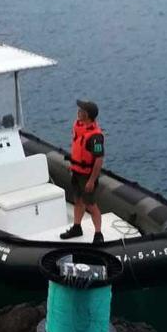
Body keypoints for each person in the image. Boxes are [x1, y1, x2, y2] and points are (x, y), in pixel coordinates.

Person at [61, 99, 106, 244]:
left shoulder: (95, 137)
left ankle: (98, 234)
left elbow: (99, 159)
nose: (78, 112)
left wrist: (92, 180)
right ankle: (77, 227)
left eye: (81, 110)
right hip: (77, 172)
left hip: (87, 176)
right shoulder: (80, 127)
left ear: (86, 114)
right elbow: (78, 150)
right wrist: (74, 165)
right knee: (78, 201)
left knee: (91, 205)